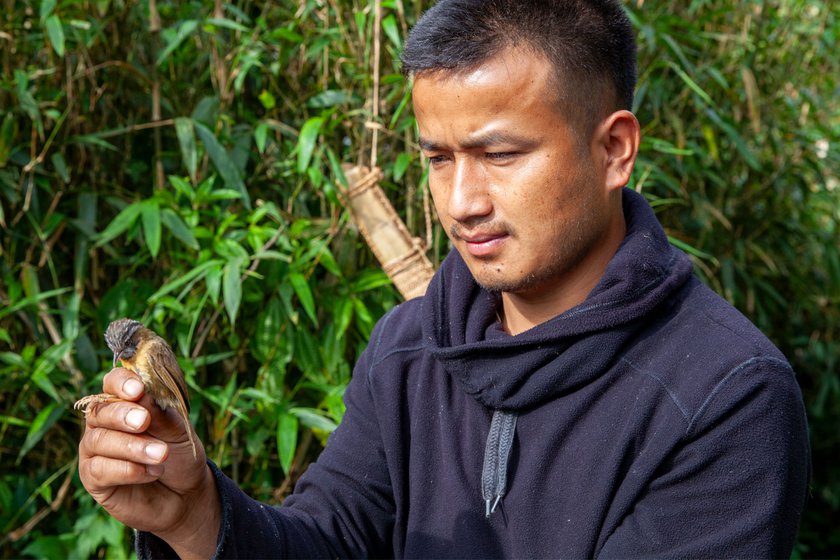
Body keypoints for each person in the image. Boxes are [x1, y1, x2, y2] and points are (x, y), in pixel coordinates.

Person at [78, 0, 810, 557]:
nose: (461, 203)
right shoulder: (409, 345)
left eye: (500, 154)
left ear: (614, 149)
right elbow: (331, 538)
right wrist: (196, 515)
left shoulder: (728, 395)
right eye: (437, 158)